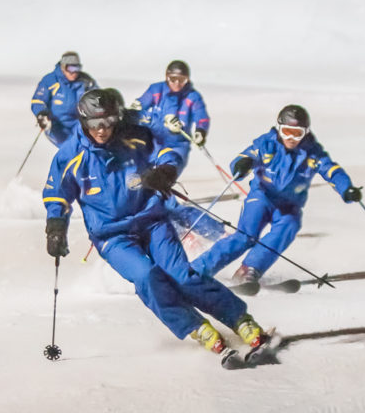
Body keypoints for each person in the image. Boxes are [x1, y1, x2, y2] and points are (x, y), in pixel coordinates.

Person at [43, 89, 268, 356]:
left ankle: (240, 320)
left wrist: (165, 171)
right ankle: (196, 327)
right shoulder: (71, 155)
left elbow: (166, 150)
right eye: (94, 124)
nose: (102, 130)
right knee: (147, 277)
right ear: (83, 122)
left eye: (107, 123)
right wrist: (56, 225)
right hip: (111, 236)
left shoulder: (134, 136)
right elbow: (57, 192)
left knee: (182, 276)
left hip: (151, 221)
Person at [191, 105, 362, 284]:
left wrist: (346, 188)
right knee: (245, 237)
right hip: (262, 196)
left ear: (306, 132)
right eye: (287, 131)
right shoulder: (267, 144)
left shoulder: (312, 152)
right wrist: (243, 164)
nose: (291, 138)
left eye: (297, 133)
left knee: (289, 226)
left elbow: (331, 170)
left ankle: (249, 270)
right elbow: (246, 156)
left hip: (289, 205)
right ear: (279, 128)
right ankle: (197, 269)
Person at [128, 61, 225, 242]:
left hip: (176, 148)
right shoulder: (156, 90)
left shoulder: (192, 97)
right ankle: (175, 228)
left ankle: (200, 230)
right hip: (152, 146)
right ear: (166, 77)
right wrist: (146, 114)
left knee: (160, 186)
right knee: (149, 189)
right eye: (173, 79)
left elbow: (201, 118)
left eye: (182, 79)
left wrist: (200, 132)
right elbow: (137, 110)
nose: (177, 83)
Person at [31, 51, 98, 147]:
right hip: (57, 126)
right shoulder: (50, 80)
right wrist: (42, 115)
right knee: (70, 150)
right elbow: (38, 101)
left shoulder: (86, 81)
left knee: (89, 149)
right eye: (70, 68)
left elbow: (98, 98)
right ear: (63, 67)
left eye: (77, 68)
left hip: (79, 125)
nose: (74, 72)